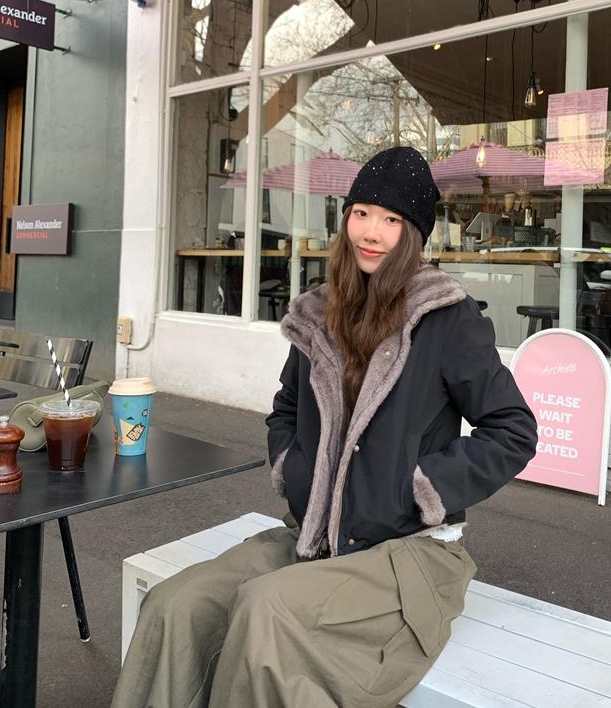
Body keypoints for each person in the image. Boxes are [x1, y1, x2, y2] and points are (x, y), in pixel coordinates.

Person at [112, 146, 538, 708]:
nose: (372, 232)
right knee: (177, 603)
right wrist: (293, 469)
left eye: (392, 220)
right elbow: (286, 407)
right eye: (362, 213)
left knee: (266, 612)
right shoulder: (322, 311)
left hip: (408, 554)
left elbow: (513, 430)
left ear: (414, 234)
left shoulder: (447, 319)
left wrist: (418, 489)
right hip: (314, 538)